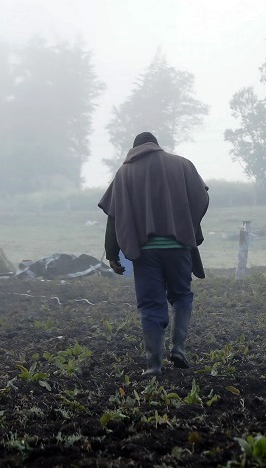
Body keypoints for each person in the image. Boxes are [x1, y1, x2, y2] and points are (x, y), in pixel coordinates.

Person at [98, 132, 209, 376]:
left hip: (145, 252)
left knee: (150, 304)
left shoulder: (125, 172)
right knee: (181, 295)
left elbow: (114, 216)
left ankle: (154, 365)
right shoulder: (182, 165)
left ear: (134, 149)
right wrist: (191, 231)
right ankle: (178, 348)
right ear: (157, 146)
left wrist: (112, 253)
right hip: (178, 247)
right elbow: (200, 198)